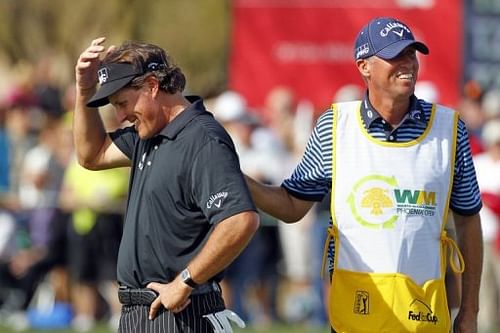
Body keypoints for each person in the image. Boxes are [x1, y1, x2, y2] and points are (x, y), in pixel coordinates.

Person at [245, 17, 483, 333]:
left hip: (425, 319)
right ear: (364, 66)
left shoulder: (450, 129)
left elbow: (468, 220)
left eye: (411, 54)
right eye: (395, 55)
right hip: (354, 319)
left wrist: (469, 312)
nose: (408, 64)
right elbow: (292, 205)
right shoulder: (334, 126)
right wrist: (237, 178)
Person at [74, 37, 260, 333]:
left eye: (122, 103)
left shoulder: (202, 139)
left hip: (180, 314)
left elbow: (239, 220)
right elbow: (91, 154)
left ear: (151, 85)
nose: (120, 117)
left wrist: (185, 281)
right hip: (141, 314)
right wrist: (84, 90)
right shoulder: (147, 135)